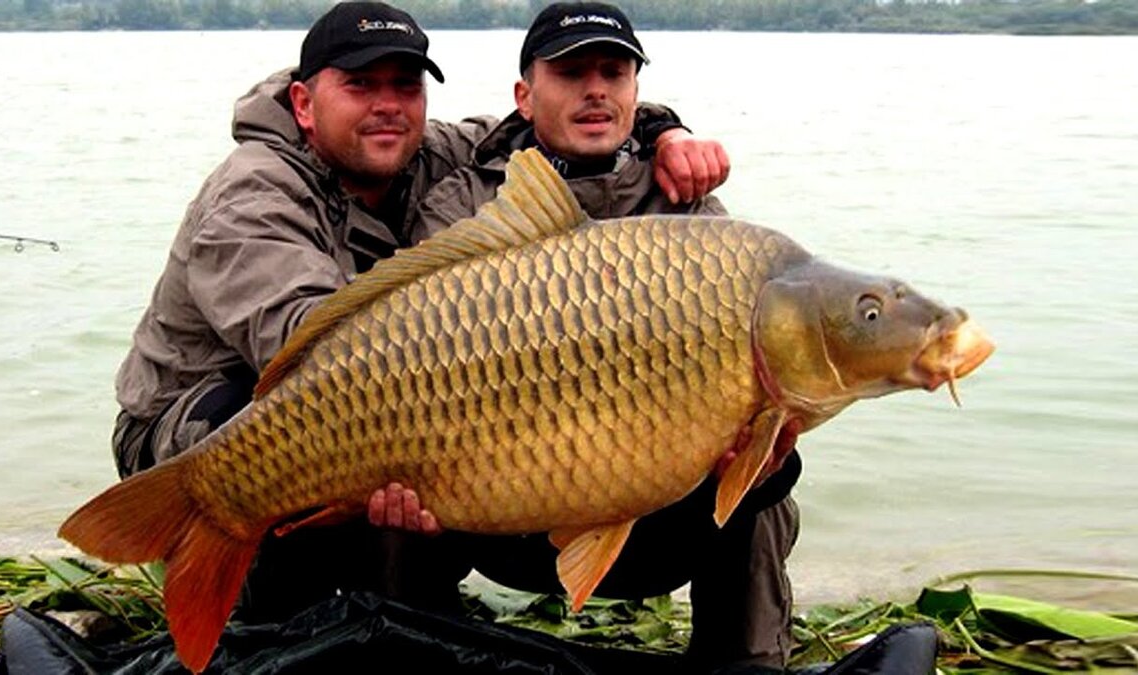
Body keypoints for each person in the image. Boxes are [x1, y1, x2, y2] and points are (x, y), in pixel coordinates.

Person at [110, 0, 729, 637]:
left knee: (413, 442)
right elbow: (309, 346)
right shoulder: (251, 196)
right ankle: (279, 628)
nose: (387, 105)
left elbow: (564, 117)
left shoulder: (418, 151)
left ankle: (410, 628)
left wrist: (665, 135)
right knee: (304, 430)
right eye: (359, 84)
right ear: (303, 103)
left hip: (355, 398)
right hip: (197, 424)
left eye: (405, 86)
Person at [371, 3, 802, 672]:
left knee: (769, 476)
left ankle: (747, 661)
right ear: (523, 96)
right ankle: (411, 653)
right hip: (498, 511)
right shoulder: (460, 205)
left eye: (613, 72)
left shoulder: (690, 213)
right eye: (570, 73)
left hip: (654, 517)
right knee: (398, 465)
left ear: (636, 91)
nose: (595, 89)